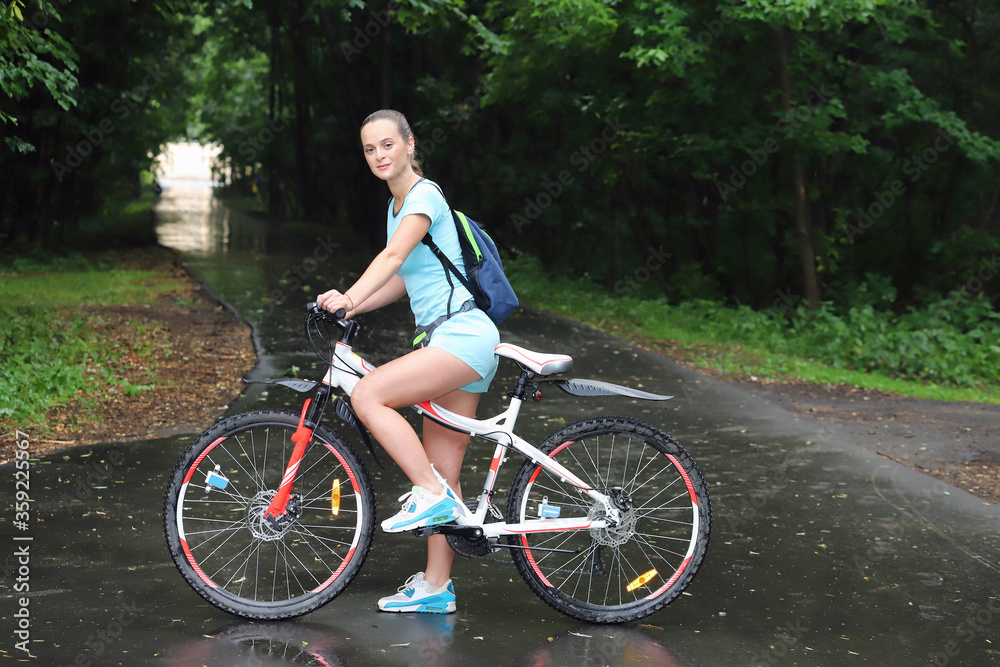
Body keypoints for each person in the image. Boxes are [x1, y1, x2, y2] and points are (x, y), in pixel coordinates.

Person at [316, 109, 500, 614]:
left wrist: (349, 293)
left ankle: (427, 493)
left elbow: (392, 258)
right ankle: (437, 588)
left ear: (410, 144)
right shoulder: (396, 207)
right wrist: (352, 305)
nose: (379, 155)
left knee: (369, 393)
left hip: (460, 338)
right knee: (443, 471)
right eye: (369, 149)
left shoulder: (424, 195)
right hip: (452, 343)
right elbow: (403, 279)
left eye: (387, 144)